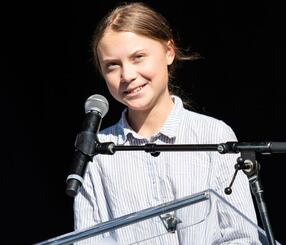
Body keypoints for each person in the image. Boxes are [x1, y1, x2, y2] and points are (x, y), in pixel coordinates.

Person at [73, 2, 261, 244]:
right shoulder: (95, 152)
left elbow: (241, 236)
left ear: (169, 51)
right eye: (112, 65)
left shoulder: (213, 135)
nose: (127, 75)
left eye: (138, 57)